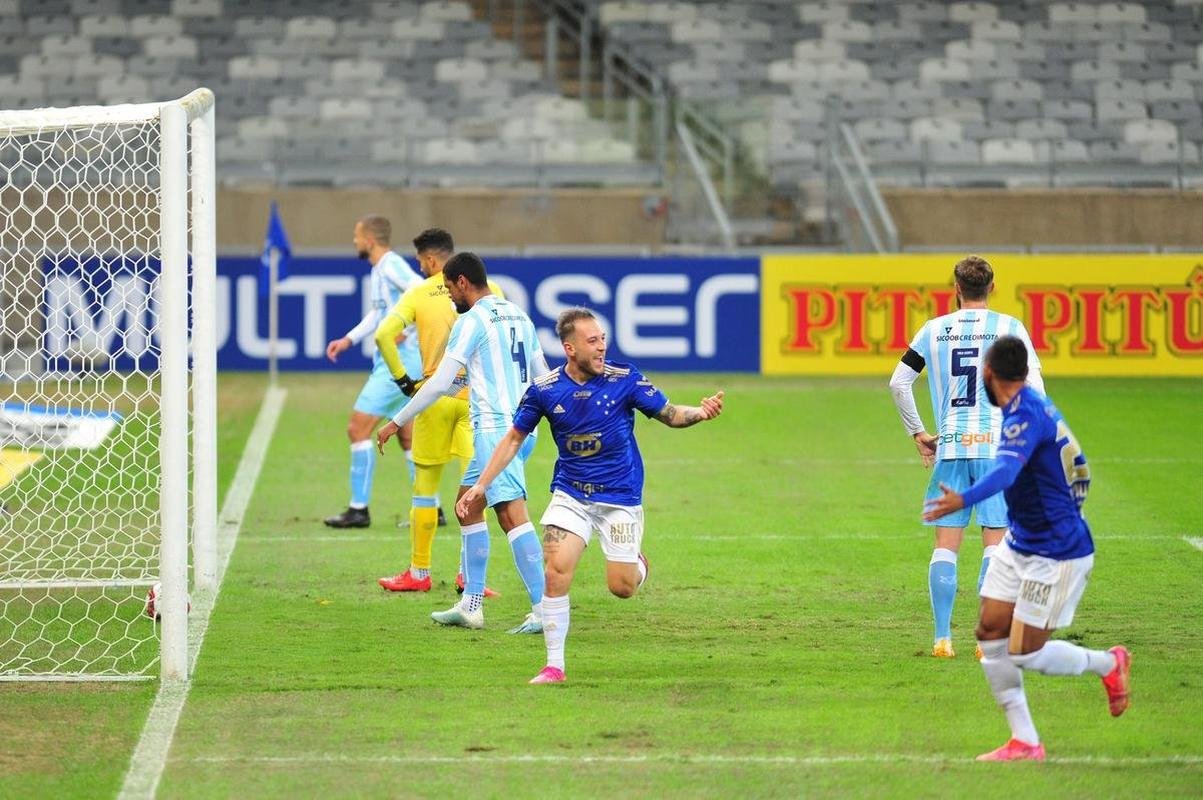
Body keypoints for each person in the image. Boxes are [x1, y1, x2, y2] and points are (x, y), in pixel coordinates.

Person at [457, 308, 724, 684]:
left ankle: (637, 565)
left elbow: (669, 413)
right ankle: (554, 666)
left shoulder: (624, 379)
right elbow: (513, 438)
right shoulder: (545, 389)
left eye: (603, 340)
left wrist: (700, 411)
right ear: (569, 348)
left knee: (621, 588)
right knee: (555, 572)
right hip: (571, 496)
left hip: (619, 498)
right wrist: (481, 486)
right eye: (592, 341)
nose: (601, 348)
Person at [924, 335, 1130, 762]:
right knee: (990, 630)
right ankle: (1025, 742)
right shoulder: (1028, 404)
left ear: (988, 374)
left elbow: (1004, 471)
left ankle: (1109, 664)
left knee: (1026, 652)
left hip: (1055, 551)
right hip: (1021, 541)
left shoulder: (1024, 415)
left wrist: (963, 498)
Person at [377, 252, 548, 632]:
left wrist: (397, 419)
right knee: (466, 507)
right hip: (523, 428)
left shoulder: (472, 320)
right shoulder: (519, 315)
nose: (449, 296)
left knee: (510, 515)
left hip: (494, 433)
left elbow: (438, 381)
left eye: (450, 287)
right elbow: (542, 377)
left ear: (463, 283)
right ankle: (471, 605)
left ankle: (543, 608)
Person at [889, 255, 1045, 659]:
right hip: (996, 449)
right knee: (996, 544)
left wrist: (919, 433)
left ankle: (942, 639)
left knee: (946, 546)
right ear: (992, 287)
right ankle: (986, 641)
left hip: (952, 446)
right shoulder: (1011, 329)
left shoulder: (934, 330)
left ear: (955, 288)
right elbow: (1036, 390)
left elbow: (899, 382)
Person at [372, 229, 494, 594]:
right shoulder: (490, 290)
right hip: (475, 400)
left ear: (428, 260)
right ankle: (467, 577)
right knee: (473, 489)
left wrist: (404, 383)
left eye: (420, 261)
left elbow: (383, 336)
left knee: (425, 490)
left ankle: (419, 573)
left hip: (433, 396)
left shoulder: (418, 293)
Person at [322, 215, 423, 529]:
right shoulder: (381, 271)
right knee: (407, 435)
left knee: (357, 428)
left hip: (399, 362)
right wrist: (349, 339)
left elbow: (423, 293)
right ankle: (430, 506)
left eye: (357, 235)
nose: (354, 241)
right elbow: (379, 314)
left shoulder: (392, 265)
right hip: (398, 360)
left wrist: (406, 329)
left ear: (369, 239)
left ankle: (358, 509)